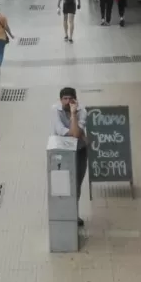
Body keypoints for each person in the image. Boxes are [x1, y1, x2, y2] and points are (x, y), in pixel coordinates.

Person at [52, 87, 88, 226]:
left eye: (70, 99)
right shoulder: (55, 111)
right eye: (65, 99)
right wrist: (77, 132)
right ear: (60, 100)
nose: (67, 102)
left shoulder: (82, 111)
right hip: (62, 152)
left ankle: (74, 213)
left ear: (75, 100)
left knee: (76, 184)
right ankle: (63, 212)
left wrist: (73, 114)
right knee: (62, 183)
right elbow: (67, 132)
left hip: (79, 151)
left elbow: (76, 134)